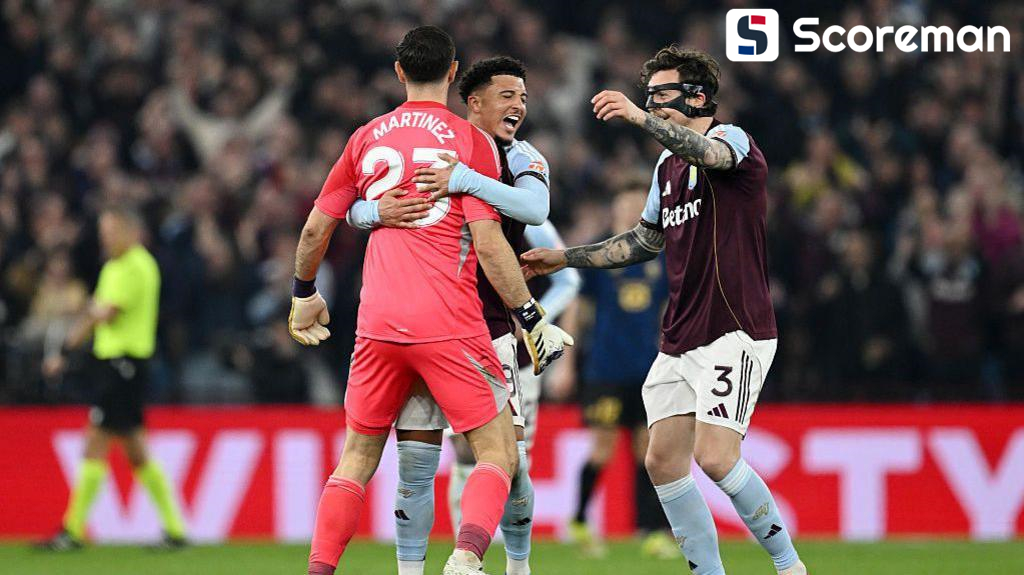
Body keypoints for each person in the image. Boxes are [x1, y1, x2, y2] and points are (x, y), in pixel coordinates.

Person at [288, 28, 571, 575]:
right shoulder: (471, 142)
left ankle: (319, 569)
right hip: (452, 324)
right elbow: (489, 244)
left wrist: (303, 294)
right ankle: (466, 557)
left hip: (378, 325)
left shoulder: (366, 137)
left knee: (357, 458)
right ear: (454, 73)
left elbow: (315, 228)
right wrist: (530, 314)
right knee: (498, 454)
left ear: (399, 71)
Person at [521, 46, 807, 575]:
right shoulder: (665, 166)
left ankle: (790, 567)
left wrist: (637, 116)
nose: (652, 103)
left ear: (697, 96)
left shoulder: (733, 141)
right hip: (680, 336)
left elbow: (712, 156)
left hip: (734, 328)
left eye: (662, 94)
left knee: (715, 457)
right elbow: (642, 242)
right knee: (661, 461)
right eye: (648, 96)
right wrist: (565, 257)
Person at [38, 207, 187, 551]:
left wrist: (65, 348)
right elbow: (95, 310)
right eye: (103, 233)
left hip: (124, 366)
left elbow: (103, 312)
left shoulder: (137, 265)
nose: (105, 239)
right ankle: (175, 529)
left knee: (96, 440)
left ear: (131, 231)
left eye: (111, 232)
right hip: (114, 366)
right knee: (136, 450)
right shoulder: (114, 267)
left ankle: (72, 531)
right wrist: (73, 339)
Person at [566, 184, 673, 559]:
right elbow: (578, 307)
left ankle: (651, 531)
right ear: (614, 209)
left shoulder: (658, 255)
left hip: (647, 369)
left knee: (649, 453)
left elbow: (667, 309)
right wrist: (566, 363)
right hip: (606, 369)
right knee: (603, 449)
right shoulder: (600, 252)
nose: (631, 211)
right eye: (625, 204)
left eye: (638, 205)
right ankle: (579, 520)